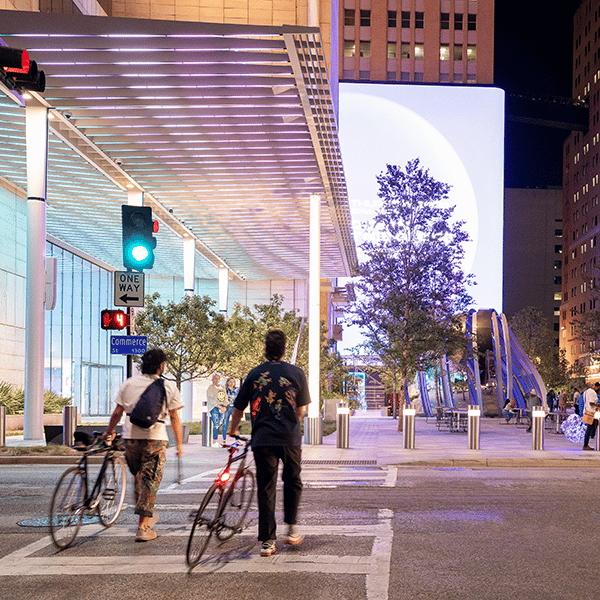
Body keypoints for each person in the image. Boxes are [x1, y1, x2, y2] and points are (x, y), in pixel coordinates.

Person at [228, 329, 311, 557]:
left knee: (266, 488)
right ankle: (292, 528)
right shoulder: (296, 373)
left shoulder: (255, 374)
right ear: (284, 349)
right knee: (293, 480)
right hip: (289, 437)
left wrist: (232, 430)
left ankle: (267, 541)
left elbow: (238, 409)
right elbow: (301, 411)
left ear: (265, 349)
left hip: (262, 439)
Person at [103, 348, 183, 542]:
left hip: (130, 439)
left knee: (139, 475)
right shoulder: (168, 386)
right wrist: (179, 444)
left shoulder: (129, 383)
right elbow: (174, 417)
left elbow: (117, 412)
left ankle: (146, 515)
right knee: (150, 481)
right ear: (161, 366)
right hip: (154, 438)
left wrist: (110, 431)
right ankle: (143, 527)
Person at [206, 373, 227, 447]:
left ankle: (216, 441)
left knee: (220, 423)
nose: (217, 380)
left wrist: (224, 407)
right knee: (216, 424)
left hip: (222, 408)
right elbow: (210, 399)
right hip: (214, 408)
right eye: (215, 378)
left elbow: (225, 398)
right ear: (212, 379)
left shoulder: (222, 387)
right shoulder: (210, 388)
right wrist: (219, 406)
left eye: (218, 378)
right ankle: (214, 441)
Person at [581, 382, 600, 450]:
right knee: (590, 429)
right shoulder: (592, 392)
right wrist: (598, 405)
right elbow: (591, 403)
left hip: (587, 412)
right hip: (591, 413)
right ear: (597, 387)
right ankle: (586, 445)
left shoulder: (586, 392)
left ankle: (586, 444)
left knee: (589, 429)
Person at [221, 377, 238, 443]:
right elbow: (222, 398)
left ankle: (236, 440)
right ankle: (224, 440)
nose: (231, 383)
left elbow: (238, 398)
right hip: (227, 407)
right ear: (227, 382)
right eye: (230, 381)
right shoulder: (224, 389)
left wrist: (230, 397)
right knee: (225, 423)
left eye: (233, 382)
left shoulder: (237, 389)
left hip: (235, 407)